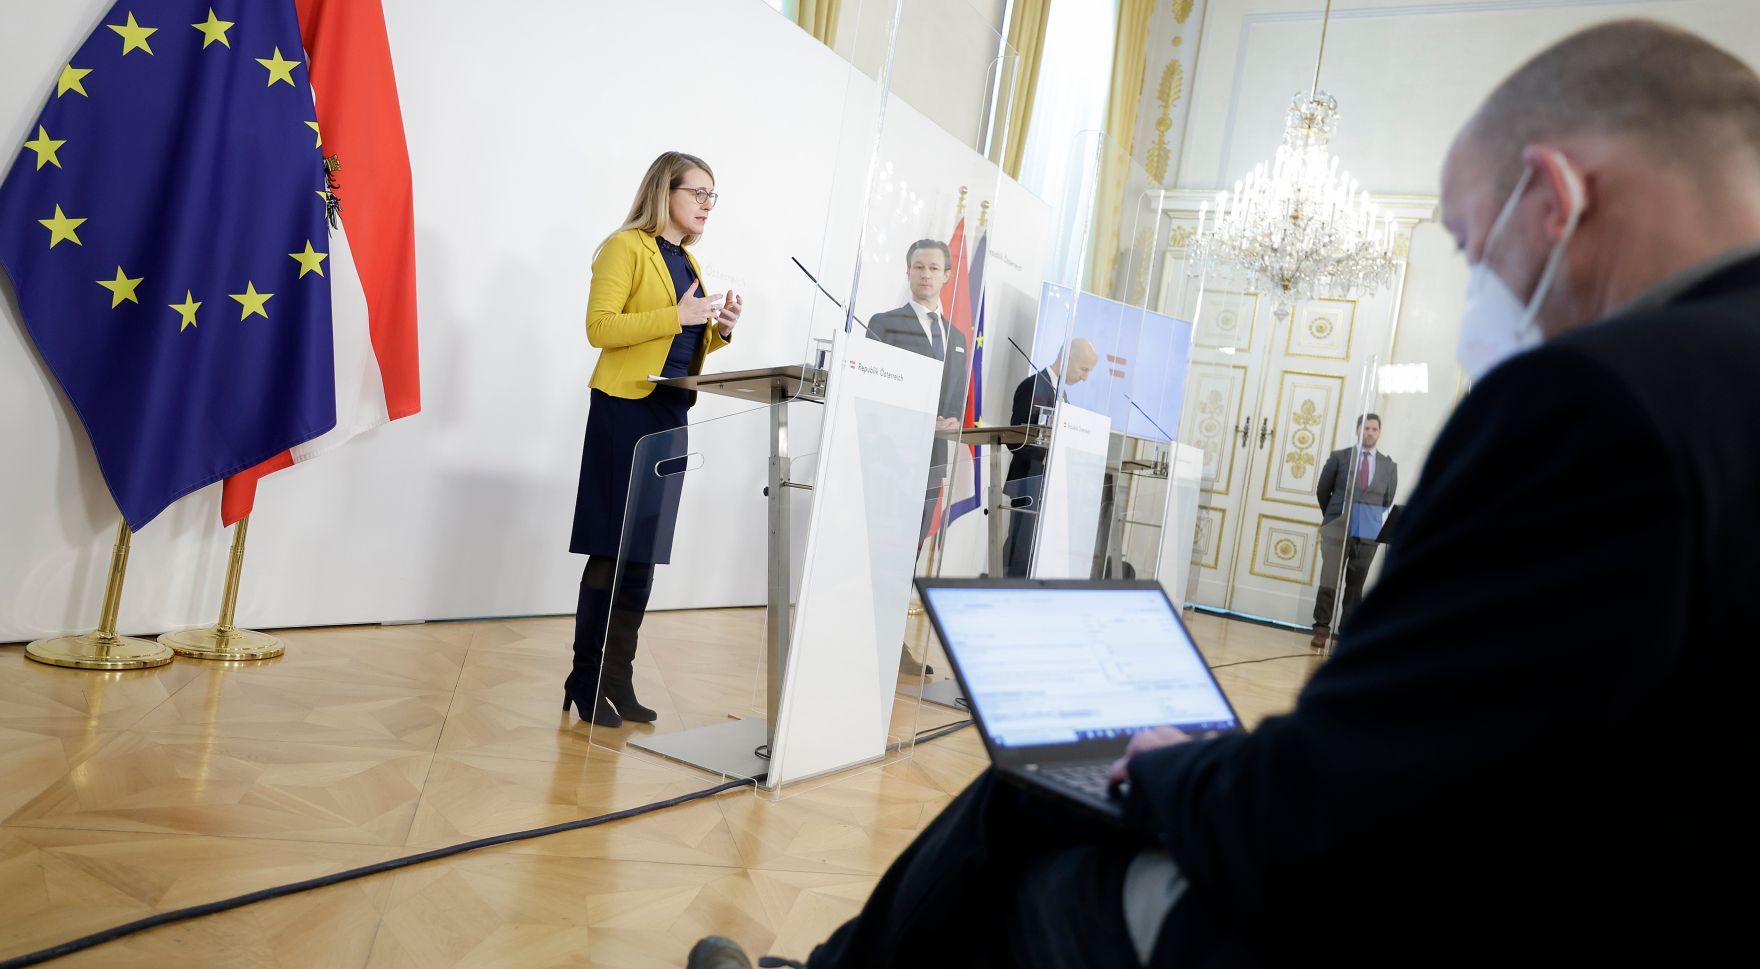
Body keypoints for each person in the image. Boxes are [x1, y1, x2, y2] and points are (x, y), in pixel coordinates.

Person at [687, 18, 1760, 966]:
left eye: (1465, 241)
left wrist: (1172, 771)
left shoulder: (1595, 403)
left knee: (1036, 797)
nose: (1473, 279)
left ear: (1553, 198)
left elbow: (1334, 816)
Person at [565, 151, 744, 728]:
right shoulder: (626, 247)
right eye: (699, 194)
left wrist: (719, 330)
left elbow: (680, 340)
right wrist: (679, 314)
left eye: (713, 197)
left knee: (644, 556)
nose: (706, 206)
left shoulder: (688, 262)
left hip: (670, 411)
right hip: (624, 408)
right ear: (666, 191)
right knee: (611, 547)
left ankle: (619, 676)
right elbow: (601, 328)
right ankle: (585, 678)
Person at [866, 239, 971, 540]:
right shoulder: (885, 324)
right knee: (883, 547)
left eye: (934, 268)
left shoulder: (958, 336)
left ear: (947, 275)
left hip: (932, 460)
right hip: (890, 459)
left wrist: (953, 418)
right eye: (919, 267)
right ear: (908, 272)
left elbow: (956, 392)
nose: (926, 274)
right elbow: (872, 389)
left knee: (913, 547)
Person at [1001, 338, 1098, 577]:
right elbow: (1016, 438)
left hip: (1049, 485)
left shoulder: (1060, 393)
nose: (1086, 377)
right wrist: (1046, 456)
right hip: (1029, 482)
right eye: (1084, 369)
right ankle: (1010, 599)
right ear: (1066, 359)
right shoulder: (1032, 386)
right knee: (1020, 551)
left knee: (1035, 553)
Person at [1309, 413, 1397, 649]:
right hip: (1337, 529)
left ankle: (1346, 634)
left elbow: (1387, 500)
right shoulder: (1340, 457)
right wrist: (1333, 518)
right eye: (1366, 428)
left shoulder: (1389, 466)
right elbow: (1322, 491)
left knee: (1356, 586)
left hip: (1368, 532)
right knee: (1329, 579)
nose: (1369, 433)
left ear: (1379, 433)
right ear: (1358, 431)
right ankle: (1320, 628)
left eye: (1374, 429)